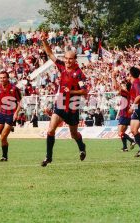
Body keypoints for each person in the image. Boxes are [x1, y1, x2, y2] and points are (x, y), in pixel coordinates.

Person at [40, 32, 88, 167]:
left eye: (70, 59)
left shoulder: (79, 74)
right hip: (60, 103)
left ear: (75, 60)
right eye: (66, 58)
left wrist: (72, 91)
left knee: (73, 134)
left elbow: (84, 91)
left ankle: (82, 146)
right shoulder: (61, 66)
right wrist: (44, 41)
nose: (67, 61)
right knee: (50, 130)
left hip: (73, 106)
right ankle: (48, 157)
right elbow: (50, 55)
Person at [0, 71, 22, 161]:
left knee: (3, 137)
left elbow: (20, 102)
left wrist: (16, 113)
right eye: (1, 78)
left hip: (11, 115)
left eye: (4, 77)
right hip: (1, 114)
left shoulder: (14, 88)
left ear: (8, 78)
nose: (2, 79)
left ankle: (4, 156)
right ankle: (7, 128)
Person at [111, 71, 136, 152]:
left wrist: (113, 78)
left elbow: (116, 87)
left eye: (124, 86)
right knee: (122, 133)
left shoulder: (125, 93)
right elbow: (118, 90)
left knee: (119, 133)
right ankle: (125, 147)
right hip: (127, 115)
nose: (123, 87)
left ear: (126, 87)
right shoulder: (128, 93)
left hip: (124, 115)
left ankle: (132, 141)